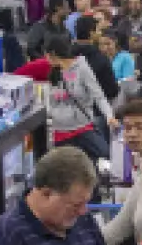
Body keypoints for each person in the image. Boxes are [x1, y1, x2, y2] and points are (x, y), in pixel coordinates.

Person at [19, 32, 116, 161]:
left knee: (102, 156)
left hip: (82, 127)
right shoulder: (52, 71)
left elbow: (98, 95)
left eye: (47, 54)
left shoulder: (81, 68)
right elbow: (50, 101)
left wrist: (109, 116)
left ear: (53, 53)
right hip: (60, 132)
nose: (45, 58)